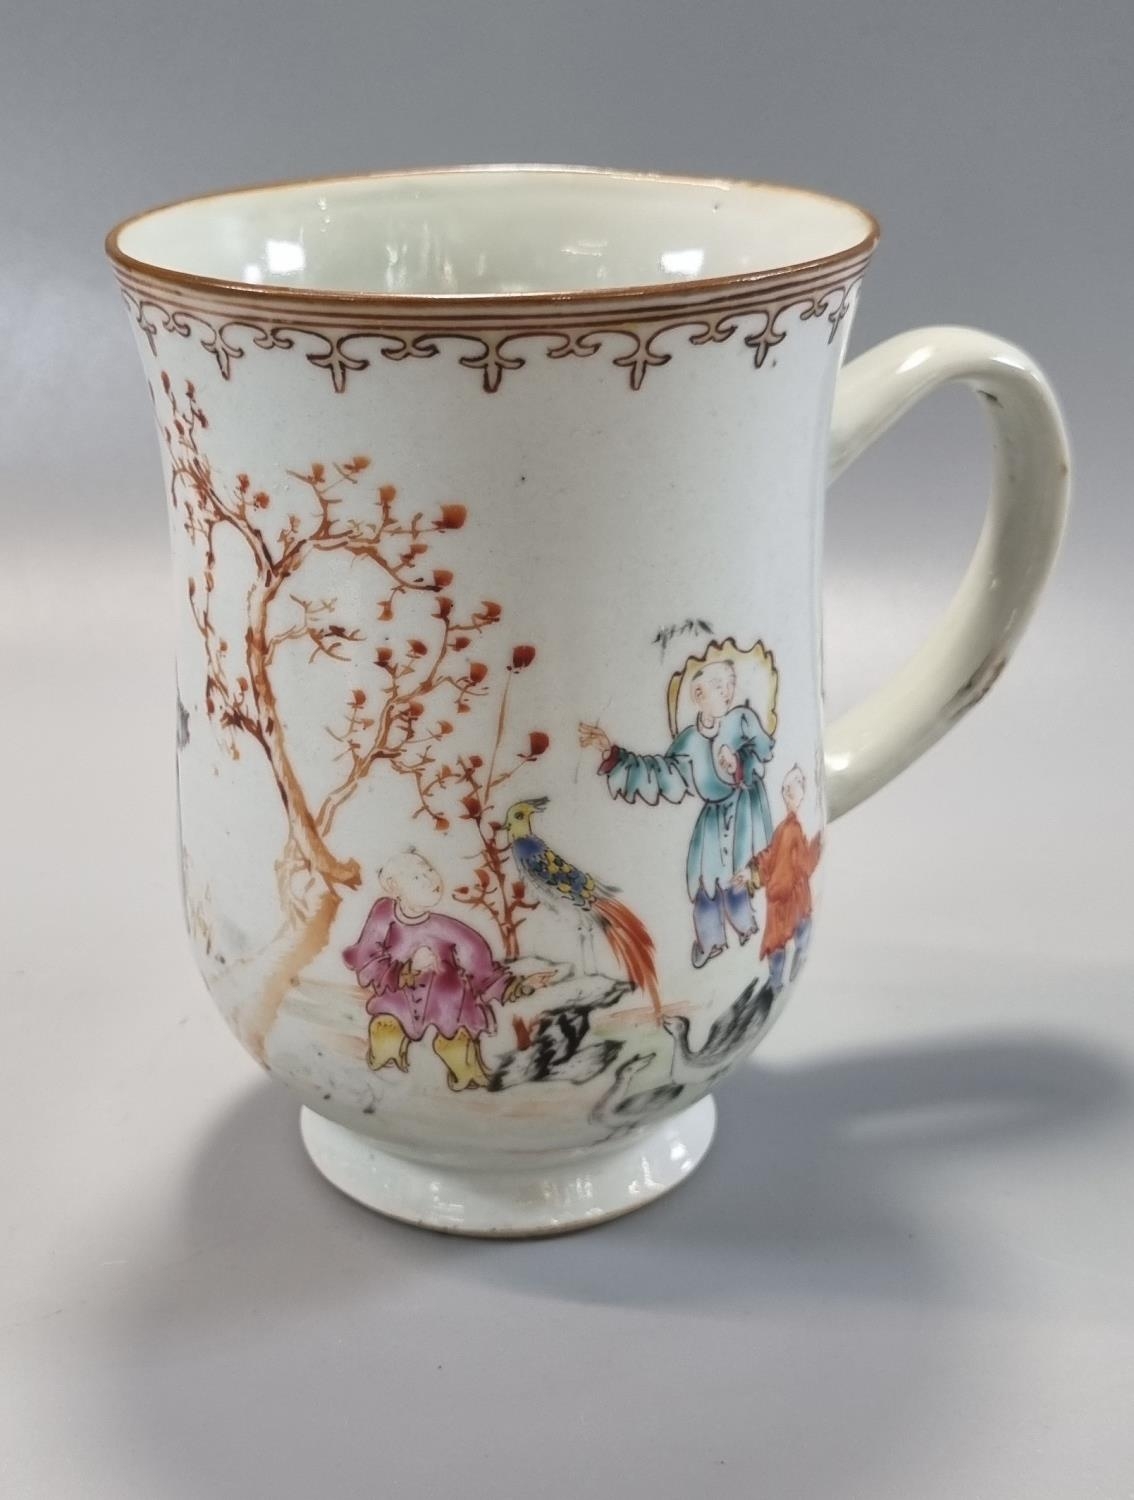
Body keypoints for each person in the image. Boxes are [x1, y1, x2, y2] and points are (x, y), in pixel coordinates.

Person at [579, 658, 774, 968]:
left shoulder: (742, 720)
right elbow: (659, 775)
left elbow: (763, 749)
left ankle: (748, 927)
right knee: (705, 884)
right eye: (719, 686)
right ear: (698, 695)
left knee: (739, 878)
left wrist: (738, 762)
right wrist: (612, 754)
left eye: (731, 685)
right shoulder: (689, 742)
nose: (727, 692)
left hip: (745, 813)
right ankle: (711, 941)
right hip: (712, 823)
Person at [342, 849, 547, 1090]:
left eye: (430, 871)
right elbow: (367, 957)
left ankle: (470, 1082)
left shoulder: (451, 930)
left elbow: (482, 970)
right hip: (400, 996)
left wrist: (520, 986)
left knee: (456, 1045)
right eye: (417, 876)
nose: (430, 880)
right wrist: (407, 969)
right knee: (385, 1029)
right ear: (394, 887)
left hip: (448, 1001)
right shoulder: (383, 914)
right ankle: (386, 1075)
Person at [743, 765, 822, 991]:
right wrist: (752, 872)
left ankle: (790, 967)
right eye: (786, 789)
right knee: (776, 942)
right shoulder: (783, 829)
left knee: (798, 927)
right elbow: (771, 856)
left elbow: (805, 864)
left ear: (801, 795)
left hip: (793, 896)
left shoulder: (795, 829)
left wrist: (817, 845)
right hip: (780, 897)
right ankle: (775, 982)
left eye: (792, 790)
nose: (787, 794)